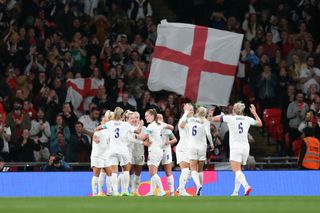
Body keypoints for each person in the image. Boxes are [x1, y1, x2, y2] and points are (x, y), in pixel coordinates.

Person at [212, 103, 262, 196]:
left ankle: (246, 186)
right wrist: (254, 113)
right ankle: (235, 192)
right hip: (245, 147)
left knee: (236, 170)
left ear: (233, 110)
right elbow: (260, 123)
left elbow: (214, 119)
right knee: (239, 169)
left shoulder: (230, 117)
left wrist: (222, 115)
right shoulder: (247, 119)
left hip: (236, 147)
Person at [98, 107, 140, 196]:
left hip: (112, 150)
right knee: (126, 170)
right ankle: (125, 191)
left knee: (114, 172)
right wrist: (139, 125)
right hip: (123, 150)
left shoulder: (109, 124)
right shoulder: (126, 124)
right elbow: (137, 131)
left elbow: (99, 128)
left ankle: (115, 191)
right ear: (122, 115)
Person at [181, 106, 214, 196]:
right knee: (200, 170)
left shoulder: (191, 119)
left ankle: (198, 185)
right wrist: (211, 144)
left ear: (197, 112)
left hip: (192, 146)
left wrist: (186, 112)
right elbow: (208, 134)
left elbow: (182, 122)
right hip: (202, 147)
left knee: (193, 169)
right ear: (205, 113)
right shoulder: (206, 122)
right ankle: (200, 191)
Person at [91, 113, 111, 196]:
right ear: (101, 121)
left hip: (106, 155)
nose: (106, 121)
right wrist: (95, 139)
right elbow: (94, 136)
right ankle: (95, 193)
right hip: (97, 155)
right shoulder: (98, 130)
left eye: (107, 120)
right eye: (104, 120)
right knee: (96, 174)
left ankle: (107, 192)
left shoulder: (108, 131)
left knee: (110, 173)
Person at [157, 114, 177, 196]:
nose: (159, 120)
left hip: (166, 151)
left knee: (168, 172)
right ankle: (157, 191)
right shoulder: (152, 129)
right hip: (156, 152)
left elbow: (175, 139)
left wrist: (169, 142)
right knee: (154, 172)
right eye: (158, 118)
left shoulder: (167, 129)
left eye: (161, 118)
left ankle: (172, 192)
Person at [176, 103, 194, 196]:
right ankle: (182, 190)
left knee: (191, 173)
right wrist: (186, 113)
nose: (191, 110)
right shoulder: (182, 120)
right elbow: (182, 125)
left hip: (191, 149)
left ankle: (180, 187)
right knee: (185, 170)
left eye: (191, 109)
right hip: (183, 148)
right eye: (189, 109)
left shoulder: (194, 121)